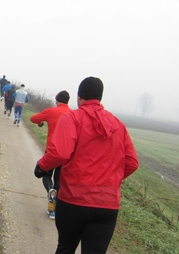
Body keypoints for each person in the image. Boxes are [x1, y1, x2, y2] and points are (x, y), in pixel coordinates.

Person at [34, 76, 139, 254]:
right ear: (100, 97)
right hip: (107, 205)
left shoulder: (72, 118)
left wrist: (41, 167)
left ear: (79, 97)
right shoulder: (118, 125)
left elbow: (60, 152)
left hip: (73, 200)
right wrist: (110, 180)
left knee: (66, 247)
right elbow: (131, 162)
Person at [29, 90, 71, 219]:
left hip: (52, 150)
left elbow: (33, 118)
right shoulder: (72, 113)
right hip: (66, 152)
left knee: (46, 175)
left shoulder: (52, 111)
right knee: (59, 179)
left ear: (57, 100)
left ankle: (50, 191)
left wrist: (41, 122)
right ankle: (53, 211)